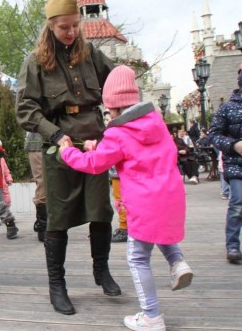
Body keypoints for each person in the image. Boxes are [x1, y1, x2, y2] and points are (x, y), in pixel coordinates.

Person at [59, 65, 193, 331]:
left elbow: (95, 164)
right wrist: (100, 145)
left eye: (108, 111)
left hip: (144, 202)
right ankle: (177, 262)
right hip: (171, 195)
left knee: (138, 256)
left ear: (115, 107)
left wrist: (66, 152)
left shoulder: (118, 133)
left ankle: (151, 316)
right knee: (160, 232)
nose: (108, 116)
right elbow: (133, 153)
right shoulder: (156, 124)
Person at [15, 0, 120, 315]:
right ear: (50, 26)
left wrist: (119, 115)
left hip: (94, 142)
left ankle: (101, 269)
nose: (71, 32)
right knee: (57, 219)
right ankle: (56, 286)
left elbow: (118, 81)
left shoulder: (91, 54)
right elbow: (26, 110)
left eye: (75, 25)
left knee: (101, 210)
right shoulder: (35, 62)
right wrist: (56, 135)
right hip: (59, 147)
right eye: (64, 27)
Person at [209, 62, 242, 263]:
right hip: (236, 163)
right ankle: (232, 245)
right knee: (238, 201)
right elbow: (214, 135)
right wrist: (234, 145)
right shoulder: (228, 108)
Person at [24, 132, 46, 242]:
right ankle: (43, 225)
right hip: (38, 143)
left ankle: (49, 224)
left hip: (57, 142)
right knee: (42, 183)